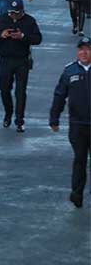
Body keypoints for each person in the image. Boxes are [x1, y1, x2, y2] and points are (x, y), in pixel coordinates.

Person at [0, 0, 43, 132]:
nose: (13, 16)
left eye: (16, 13)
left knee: (20, 91)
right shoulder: (2, 19)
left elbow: (38, 39)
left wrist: (23, 36)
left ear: (22, 11)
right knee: (4, 89)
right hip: (5, 60)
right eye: (11, 13)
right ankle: (8, 113)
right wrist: (1, 35)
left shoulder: (30, 21)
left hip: (22, 60)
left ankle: (19, 120)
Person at [49, 36, 91, 208]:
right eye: (81, 49)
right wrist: (54, 118)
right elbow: (60, 95)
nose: (84, 52)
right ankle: (77, 193)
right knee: (79, 159)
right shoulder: (69, 71)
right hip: (78, 125)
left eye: (88, 49)